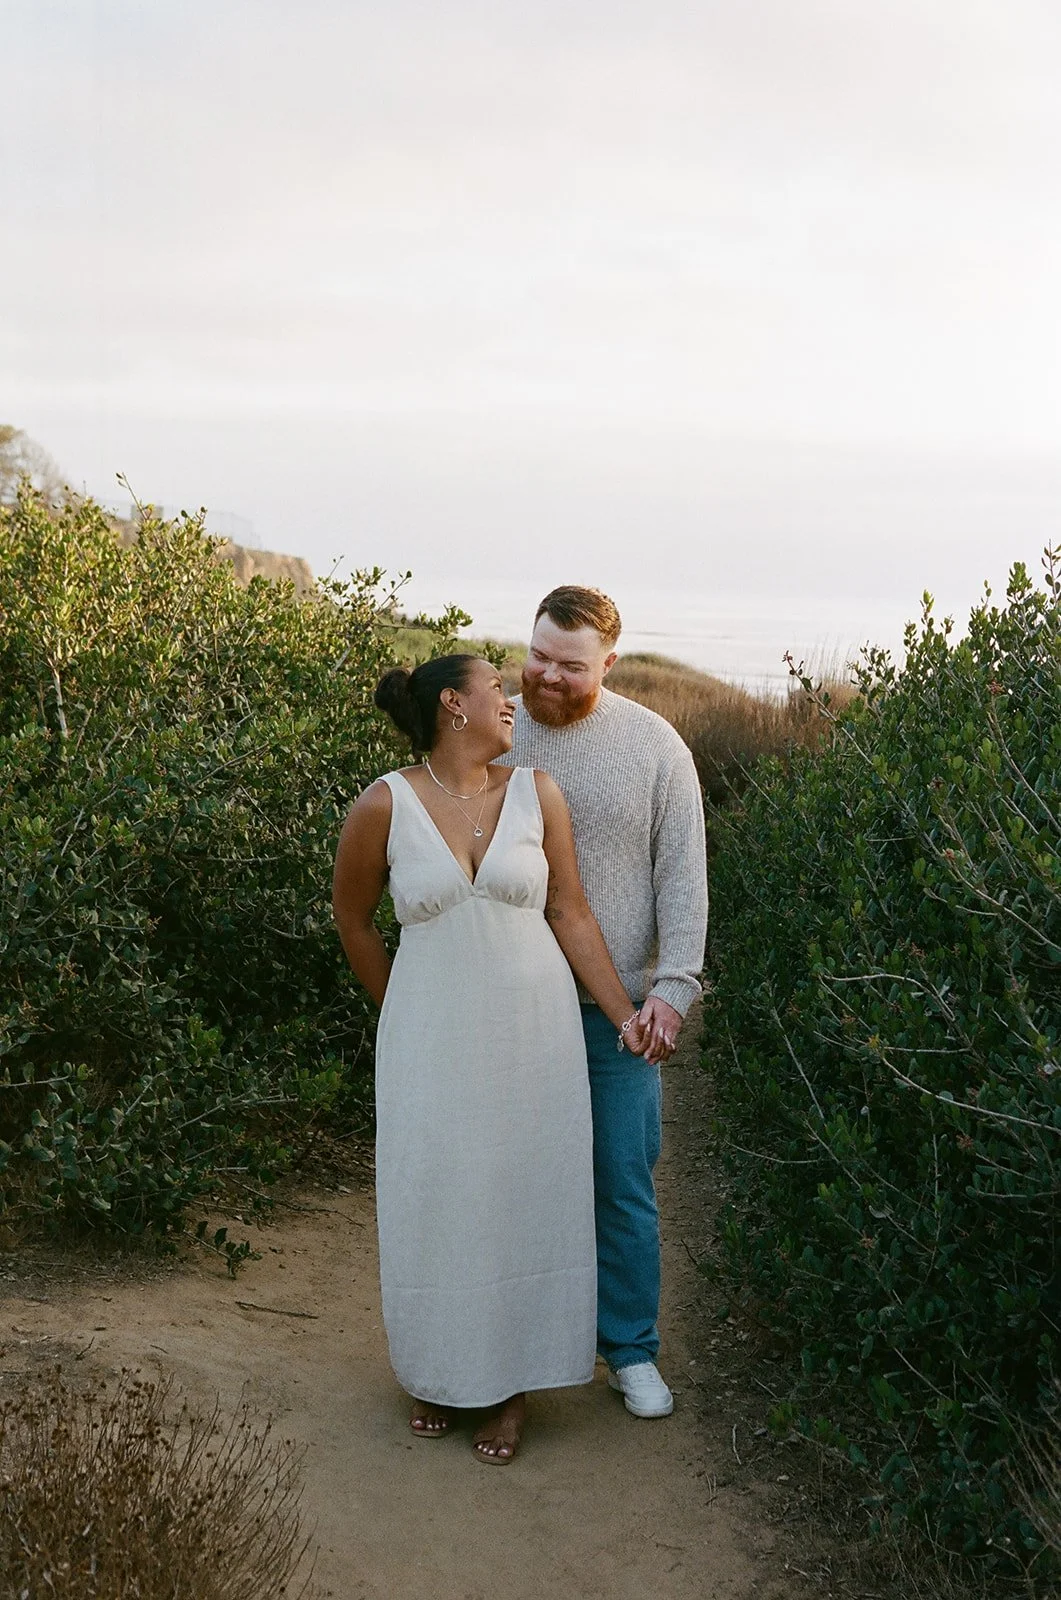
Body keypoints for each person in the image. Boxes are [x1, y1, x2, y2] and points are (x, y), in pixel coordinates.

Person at [331, 654, 648, 1464]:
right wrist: (403, 1009)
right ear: (452, 704)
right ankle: (438, 1372)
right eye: (494, 690)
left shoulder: (537, 792)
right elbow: (353, 920)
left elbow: (569, 911)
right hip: (429, 1034)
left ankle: (509, 1388)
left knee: (525, 1195)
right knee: (436, 1193)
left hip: (532, 1036)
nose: (510, 702)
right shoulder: (384, 803)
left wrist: (625, 1018)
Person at [499, 587, 708, 1419]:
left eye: (570, 666)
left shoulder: (656, 748)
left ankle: (627, 1350)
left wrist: (672, 990)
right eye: (538, 656)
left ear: (609, 664)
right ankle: (510, 1347)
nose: (546, 677)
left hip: (615, 1008)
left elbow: (682, 879)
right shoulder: (492, 731)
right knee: (510, 1179)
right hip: (506, 1004)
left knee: (621, 1178)